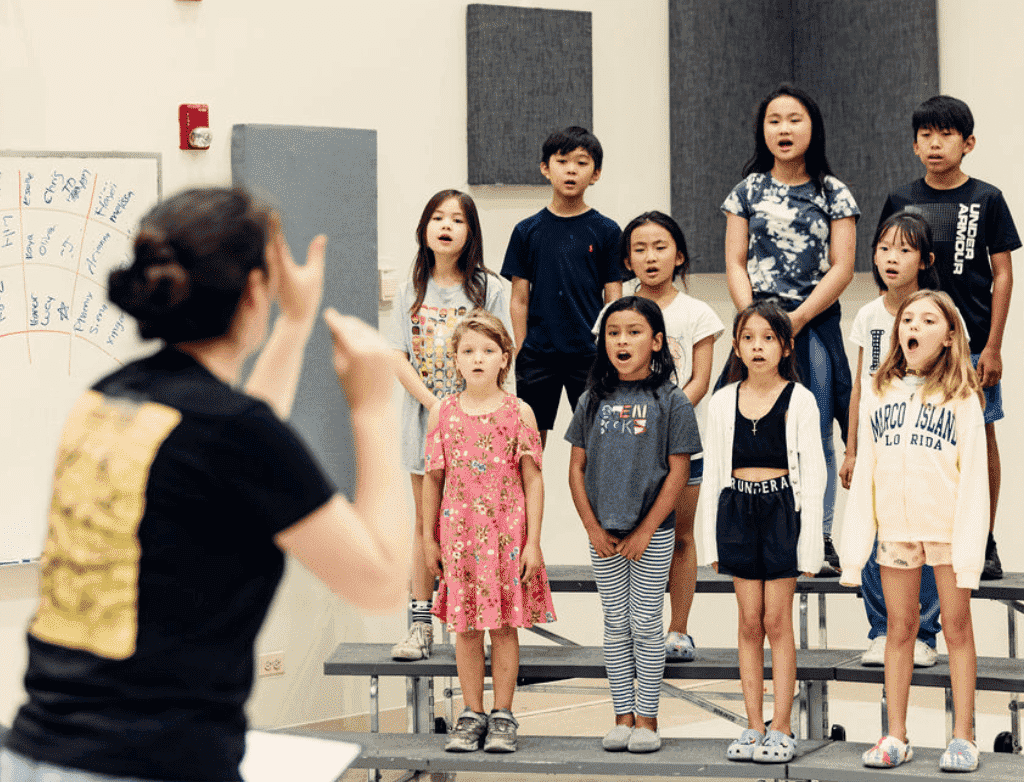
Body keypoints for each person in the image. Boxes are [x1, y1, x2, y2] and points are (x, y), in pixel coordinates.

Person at [0, 187, 410, 782]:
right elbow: (381, 585)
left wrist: (294, 323)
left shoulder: (108, 398)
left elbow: (236, 447)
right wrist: (374, 409)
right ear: (252, 292)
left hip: (36, 754)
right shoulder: (234, 433)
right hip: (149, 764)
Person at [839, 290, 988, 772]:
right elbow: (866, 474)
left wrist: (969, 548)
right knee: (898, 631)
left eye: (927, 320)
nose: (913, 326)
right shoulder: (879, 393)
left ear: (948, 337)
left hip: (946, 530)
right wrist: (854, 547)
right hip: (897, 531)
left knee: (956, 628)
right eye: (907, 319)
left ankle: (963, 737)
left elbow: (976, 479)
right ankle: (895, 735)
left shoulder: (963, 397)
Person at [876, 95, 1020, 580]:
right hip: (916, 344)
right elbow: (886, 267)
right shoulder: (900, 199)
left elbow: (1003, 273)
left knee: (981, 435)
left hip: (973, 342)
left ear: (968, 143)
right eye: (926, 136)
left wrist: (995, 345)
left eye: (947, 135)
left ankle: (984, 537)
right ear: (915, 145)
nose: (936, 144)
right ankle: (923, 535)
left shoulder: (988, 198)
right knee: (921, 440)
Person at [721, 83, 858, 577]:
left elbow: (842, 267)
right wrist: (754, 322)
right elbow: (735, 261)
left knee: (817, 429)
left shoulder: (833, 191)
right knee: (745, 429)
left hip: (812, 325)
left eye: (795, 119)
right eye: (774, 119)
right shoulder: (746, 191)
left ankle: (818, 537)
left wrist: (794, 322)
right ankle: (753, 531)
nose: (784, 128)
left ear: (812, 128)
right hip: (757, 326)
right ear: (763, 129)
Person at [566, 296, 701, 754]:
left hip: (652, 536)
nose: (622, 340)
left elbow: (678, 471)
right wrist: (590, 527)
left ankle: (647, 718)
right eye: (613, 333)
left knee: (646, 623)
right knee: (615, 622)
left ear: (657, 341)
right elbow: (575, 468)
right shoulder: (592, 399)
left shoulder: (672, 400)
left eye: (634, 331)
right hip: (604, 535)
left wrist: (646, 529)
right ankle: (621, 716)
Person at [423, 310, 555, 754]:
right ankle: (471, 713)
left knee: (503, 628)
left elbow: (534, 479)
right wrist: (428, 539)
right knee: (465, 629)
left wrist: (533, 541)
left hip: (506, 537)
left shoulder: (520, 412)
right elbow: (433, 479)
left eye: (487, 350)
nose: (477, 358)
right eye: (467, 351)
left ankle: (503, 713)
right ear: (455, 360)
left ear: (504, 358)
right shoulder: (443, 412)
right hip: (459, 538)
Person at [700, 300, 825, 765]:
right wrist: (712, 539)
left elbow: (814, 477)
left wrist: (810, 541)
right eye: (748, 338)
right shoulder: (721, 401)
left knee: (777, 620)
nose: (757, 347)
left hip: (780, 513)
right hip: (737, 509)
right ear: (736, 345)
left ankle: (782, 724)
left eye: (768, 338)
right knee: (748, 621)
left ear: (785, 346)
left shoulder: (801, 400)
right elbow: (713, 473)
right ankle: (753, 724)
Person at [390, 189, 511, 662]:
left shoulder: (489, 288)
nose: (446, 226)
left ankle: (483, 620)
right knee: (426, 525)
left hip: (479, 429)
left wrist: (477, 411)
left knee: (477, 522)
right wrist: (436, 406)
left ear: (470, 231)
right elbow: (398, 356)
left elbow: (505, 349)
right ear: (425, 228)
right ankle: (420, 625)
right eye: (437, 217)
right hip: (425, 423)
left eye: (457, 219)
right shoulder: (410, 290)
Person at [610, 211, 723, 661]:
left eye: (660, 247)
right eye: (640, 249)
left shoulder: (699, 312)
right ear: (627, 259)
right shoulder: (615, 312)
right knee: (631, 538)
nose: (651, 257)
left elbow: (700, 380)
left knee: (679, 536)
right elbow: (604, 378)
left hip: (678, 443)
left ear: (679, 255)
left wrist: (662, 418)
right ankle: (635, 633)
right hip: (627, 449)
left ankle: (678, 630)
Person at [841, 210, 946, 668]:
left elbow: (951, 383)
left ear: (924, 260)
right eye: (884, 248)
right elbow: (860, 387)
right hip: (876, 449)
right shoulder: (868, 314)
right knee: (874, 540)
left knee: (921, 537)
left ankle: (922, 632)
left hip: (922, 449)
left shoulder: (939, 312)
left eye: (904, 250)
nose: (891, 258)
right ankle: (883, 630)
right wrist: (851, 449)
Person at [501, 126, 623, 447]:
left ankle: (591, 500)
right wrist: (522, 348)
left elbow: (614, 296)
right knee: (529, 447)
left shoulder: (608, 231)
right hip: (537, 354)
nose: (571, 169)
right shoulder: (526, 231)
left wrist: (609, 347)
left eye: (582, 163)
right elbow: (518, 299)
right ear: (545, 168)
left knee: (596, 444)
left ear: (595, 174)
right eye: (562, 161)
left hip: (590, 353)